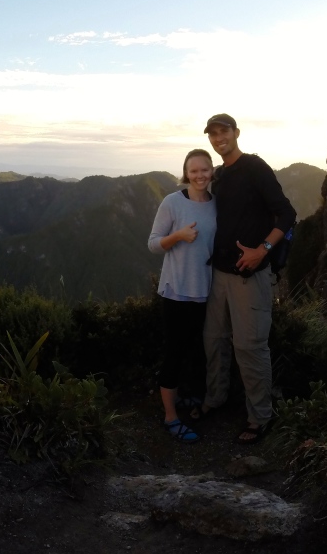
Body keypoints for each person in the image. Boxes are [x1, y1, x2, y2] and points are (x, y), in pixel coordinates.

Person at [195, 113, 296, 444]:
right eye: (213, 134)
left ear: (236, 133)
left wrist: (262, 249)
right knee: (214, 341)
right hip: (219, 275)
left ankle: (260, 416)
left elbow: (287, 213)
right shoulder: (221, 175)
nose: (218, 138)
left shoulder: (254, 167)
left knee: (249, 346)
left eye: (223, 132)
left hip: (249, 276)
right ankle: (216, 398)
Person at [147, 148, 217, 443]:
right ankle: (170, 417)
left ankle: (186, 399)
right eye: (194, 170)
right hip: (176, 291)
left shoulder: (216, 204)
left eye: (205, 169)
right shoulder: (172, 203)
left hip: (205, 291)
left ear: (212, 171)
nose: (199, 175)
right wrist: (178, 236)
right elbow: (152, 244)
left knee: (196, 351)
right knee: (174, 353)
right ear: (185, 173)